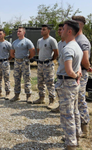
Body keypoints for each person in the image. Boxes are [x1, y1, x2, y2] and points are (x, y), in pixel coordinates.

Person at [55, 20, 83, 150]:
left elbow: (69, 71)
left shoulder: (68, 48)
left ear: (70, 31)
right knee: (74, 111)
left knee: (67, 114)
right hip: (72, 84)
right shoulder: (77, 46)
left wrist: (76, 75)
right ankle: (76, 135)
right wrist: (77, 75)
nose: (61, 31)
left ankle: (71, 143)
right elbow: (78, 68)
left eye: (64, 29)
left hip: (67, 83)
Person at [72, 15, 92, 138]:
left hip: (81, 74)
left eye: (73, 23)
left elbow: (85, 60)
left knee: (80, 99)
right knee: (76, 100)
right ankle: (79, 126)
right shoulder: (76, 38)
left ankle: (85, 128)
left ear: (79, 24)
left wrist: (87, 66)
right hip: (76, 73)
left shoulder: (82, 40)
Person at [31, 25, 58, 109]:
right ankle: (41, 98)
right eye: (41, 29)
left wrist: (50, 60)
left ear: (48, 31)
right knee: (40, 82)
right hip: (40, 64)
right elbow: (38, 51)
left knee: (50, 83)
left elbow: (56, 53)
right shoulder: (39, 41)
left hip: (48, 64)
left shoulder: (52, 40)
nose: (41, 31)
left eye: (44, 29)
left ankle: (52, 101)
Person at [10, 26, 35, 102]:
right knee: (16, 79)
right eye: (17, 31)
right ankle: (16, 95)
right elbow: (11, 53)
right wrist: (17, 58)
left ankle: (28, 96)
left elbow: (32, 52)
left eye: (20, 31)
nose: (18, 32)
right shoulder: (14, 42)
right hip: (17, 62)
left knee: (26, 79)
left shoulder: (27, 41)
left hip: (25, 62)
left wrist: (26, 58)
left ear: (24, 32)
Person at [0, 29, 12, 100]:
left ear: (4, 35)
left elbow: (11, 54)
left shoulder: (8, 44)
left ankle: (7, 93)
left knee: (6, 78)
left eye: (0, 34)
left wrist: (7, 60)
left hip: (5, 62)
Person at [51, 23, 66, 113]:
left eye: (61, 29)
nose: (59, 31)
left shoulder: (70, 43)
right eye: (58, 30)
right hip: (60, 71)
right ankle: (60, 106)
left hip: (68, 73)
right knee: (59, 90)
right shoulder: (59, 43)